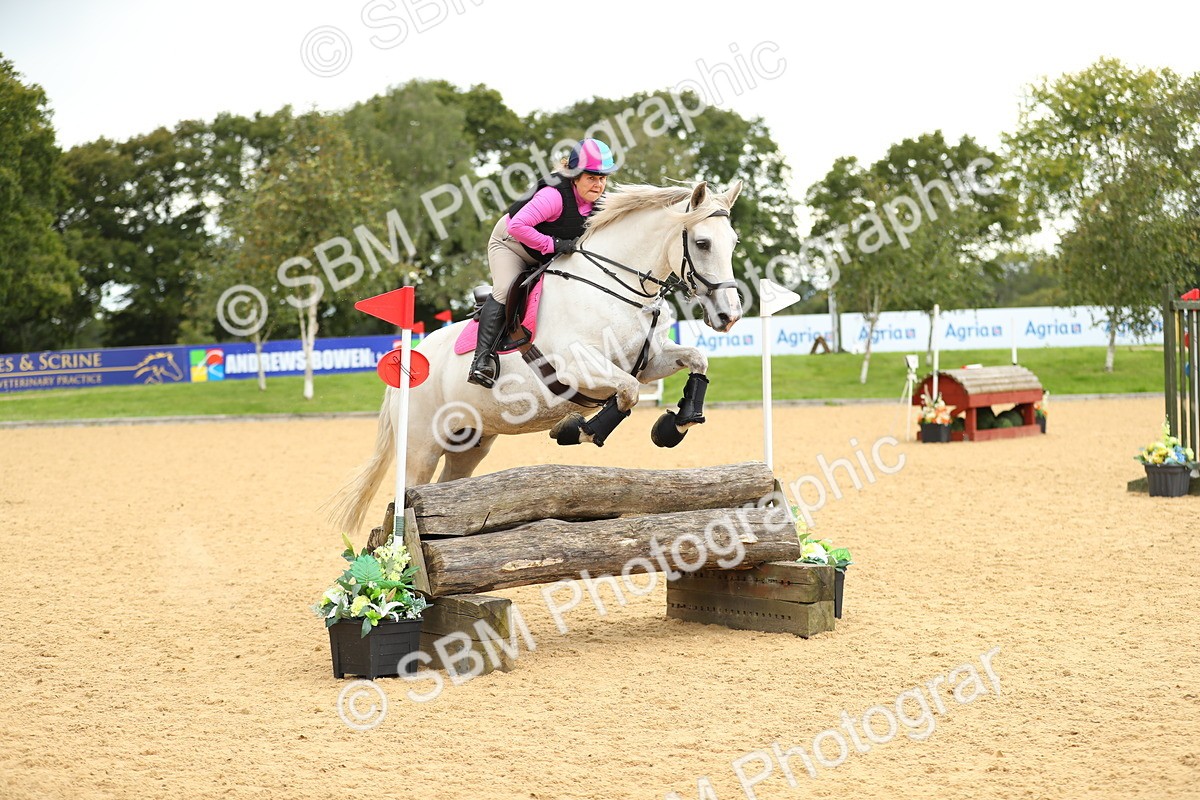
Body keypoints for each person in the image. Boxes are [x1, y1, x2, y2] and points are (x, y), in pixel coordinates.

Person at [468, 137, 618, 387]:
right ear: (575, 176)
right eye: (592, 177)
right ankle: (482, 360)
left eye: (602, 178)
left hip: (545, 251)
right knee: (506, 289)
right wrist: (554, 245)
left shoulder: (600, 204)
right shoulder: (554, 196)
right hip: (511, 244)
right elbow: (517, 226)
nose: (599, 184)